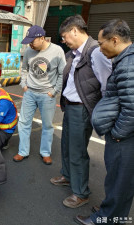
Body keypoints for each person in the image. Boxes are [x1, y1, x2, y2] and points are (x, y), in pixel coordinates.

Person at [75, 19, 134, 225]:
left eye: (101, 43)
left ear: (115, 40)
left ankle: (106, 219)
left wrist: (117, 134)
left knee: (119, 182)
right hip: (125, 136)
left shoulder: (128, 65)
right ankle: (111, 211)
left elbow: (132, 108)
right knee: (121, 181)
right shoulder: (126, 59)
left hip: (125, 138)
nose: (99, 49)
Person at [50, 15, 112, 209]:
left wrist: (100, 110)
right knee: (67, 145)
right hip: (69, 106)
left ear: (75, 31)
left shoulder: (96, 52)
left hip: (82, 108)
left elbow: (108, 84)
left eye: (64, 37)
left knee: (77, 152)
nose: (64, 41)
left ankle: (81, 193)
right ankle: (68, 176)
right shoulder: (74, 53)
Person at [13, 25, 66, 164]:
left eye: (32, 41)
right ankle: (23, 151)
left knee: (47, 125)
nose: (30, 44)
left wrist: (54, 91)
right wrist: (23, 85)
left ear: (42, 38)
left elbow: (62, 73)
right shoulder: (30, 51)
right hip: (29, 93)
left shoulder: (57, 51)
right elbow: (24, 69)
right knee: (24, 123)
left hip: (47, 95)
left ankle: (45, 153)